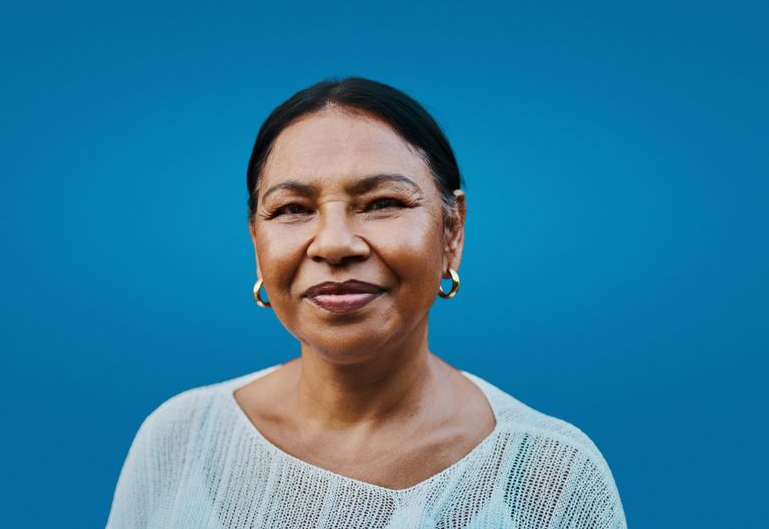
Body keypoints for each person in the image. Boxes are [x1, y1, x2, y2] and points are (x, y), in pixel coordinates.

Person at [106, 77, 627, 528]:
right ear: (255, 241)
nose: (334, 244)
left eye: (382, 203)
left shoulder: (551, 477)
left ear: (452, 231)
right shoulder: (181, 440)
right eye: (292, 208)